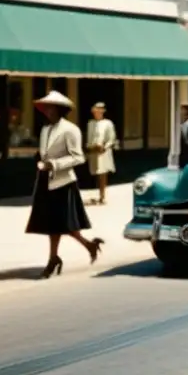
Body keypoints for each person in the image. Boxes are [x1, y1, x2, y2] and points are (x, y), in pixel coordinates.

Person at [26, 91, 104, 279]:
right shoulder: (45, 129)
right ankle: (65, 253)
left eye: (52, 107)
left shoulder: (70, 129)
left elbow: (78, 157)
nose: (48, 111)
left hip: (63, 181)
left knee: (62, 224)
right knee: (53, 224)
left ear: (60, 109)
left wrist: (54, 164)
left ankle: (57, 257)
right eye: (46, 108)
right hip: (45, 180)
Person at [85, 102, 117, 205]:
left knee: (103, 174)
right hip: (93, 151)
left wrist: (105, 146)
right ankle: (98, 194)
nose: (97, 113)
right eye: (95, 111)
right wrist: (89, 147)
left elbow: (111, 138)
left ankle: (102, 196)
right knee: (96, 173)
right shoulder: (90, 123)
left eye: (99, 111)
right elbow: (89, 138)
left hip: (103, 151)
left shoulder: (108, 123)